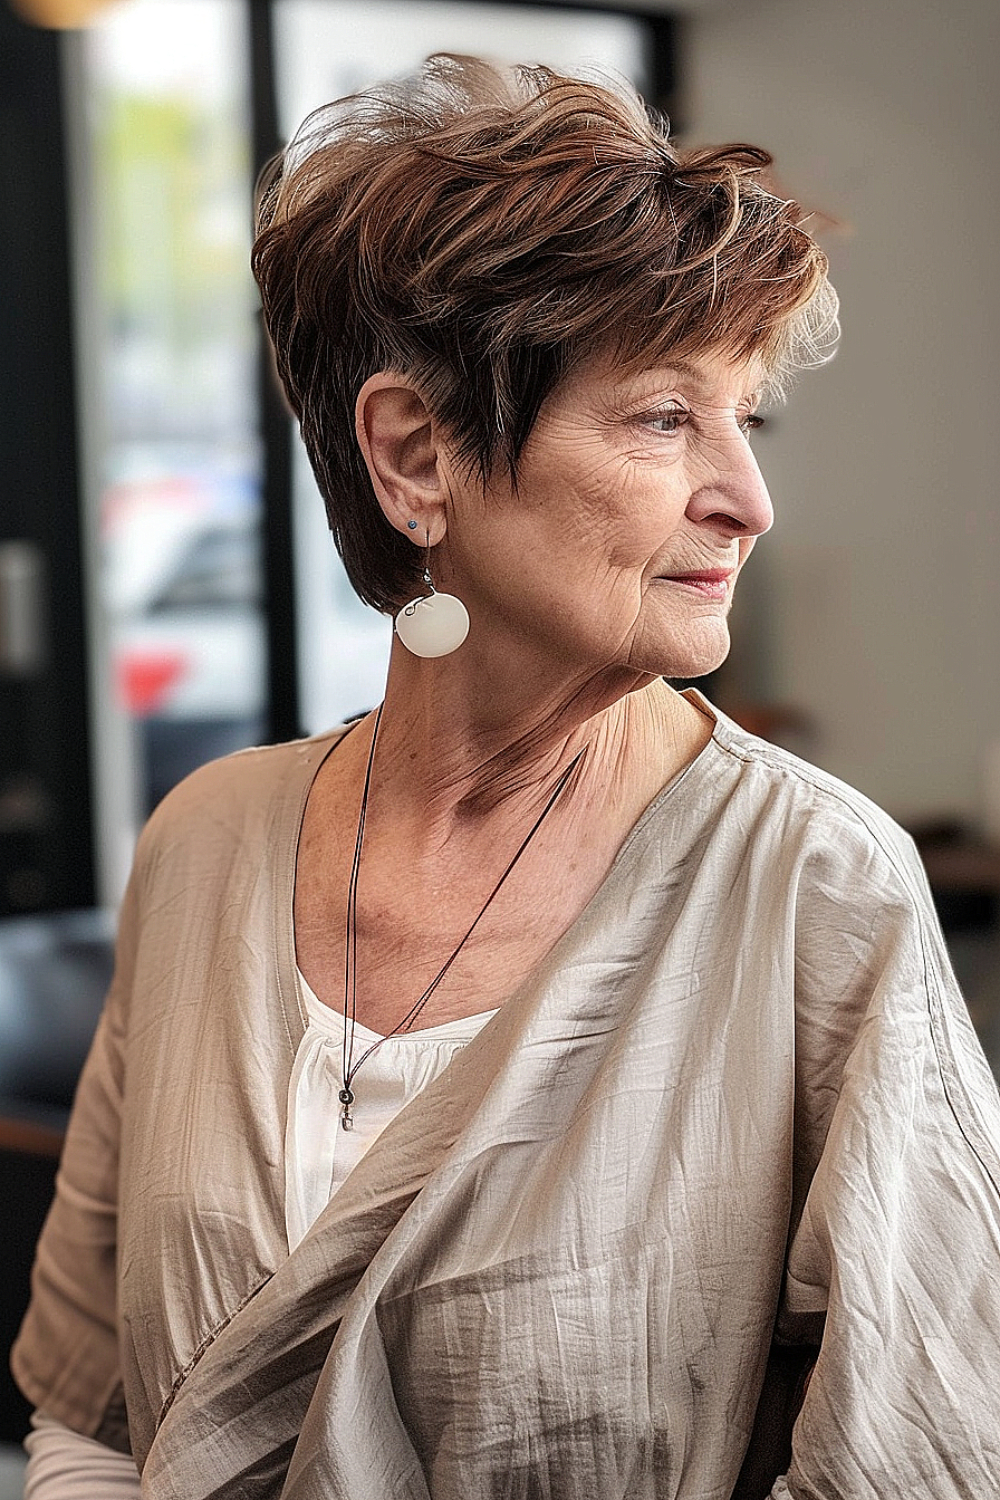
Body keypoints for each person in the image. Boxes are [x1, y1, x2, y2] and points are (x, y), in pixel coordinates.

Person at [12, 53, 1000, 1500]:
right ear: (416, 458)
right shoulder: (207, 844)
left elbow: (915, 1460)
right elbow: (91, 1412)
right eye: (668, 418)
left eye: (749, 419)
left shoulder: (815, 886)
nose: (749, 497)